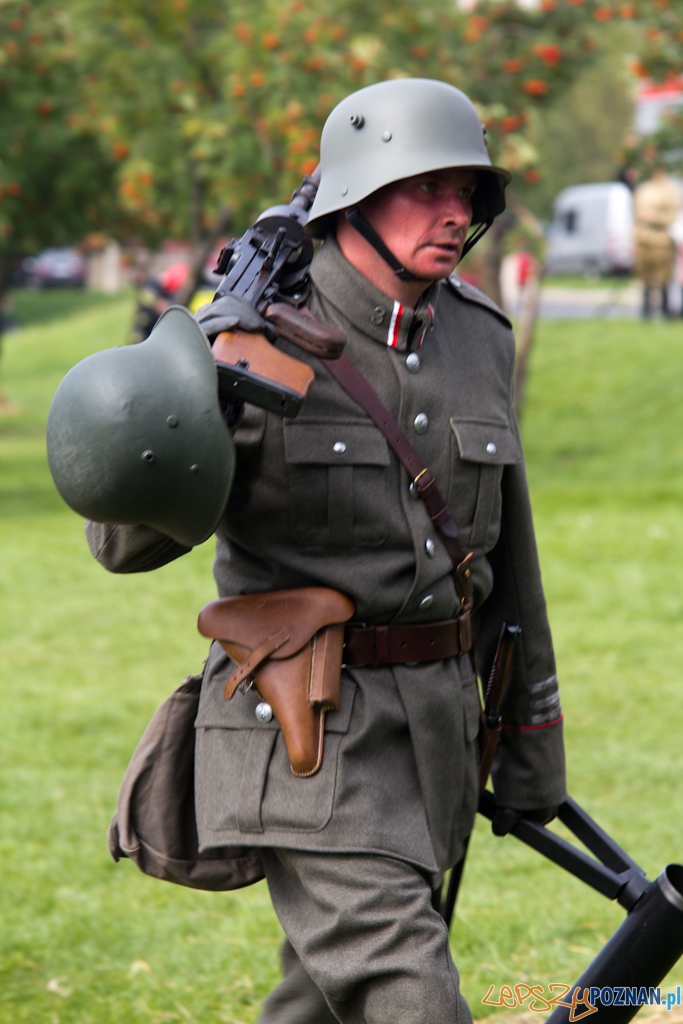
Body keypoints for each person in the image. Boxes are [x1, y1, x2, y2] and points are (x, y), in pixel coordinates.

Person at [85, 79, 566, 1024]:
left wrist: (529, 743)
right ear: (358, 195)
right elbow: (119, 544)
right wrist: (180, 405)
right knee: (408, 994)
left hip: (432, 741)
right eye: (426, 185)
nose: (455, 209)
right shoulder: (243, 344)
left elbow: (508, 565)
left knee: (316, 1002)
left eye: (467, 189)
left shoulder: (477, 337)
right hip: (302, 737)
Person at [633, 168, 680, 319]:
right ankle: (646, 313)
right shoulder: (643, 189)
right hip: (644, 238)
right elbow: (636, 214)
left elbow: (672, 214)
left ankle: (665, 312)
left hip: (662, 240)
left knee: (664, 277)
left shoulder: (670, 191)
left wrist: (656, 217)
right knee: (645, 278)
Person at [128, 261, 190, 344]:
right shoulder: (152, 285)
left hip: (154, 330)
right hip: (144, 328)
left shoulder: (169, 292)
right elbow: (159, 305)